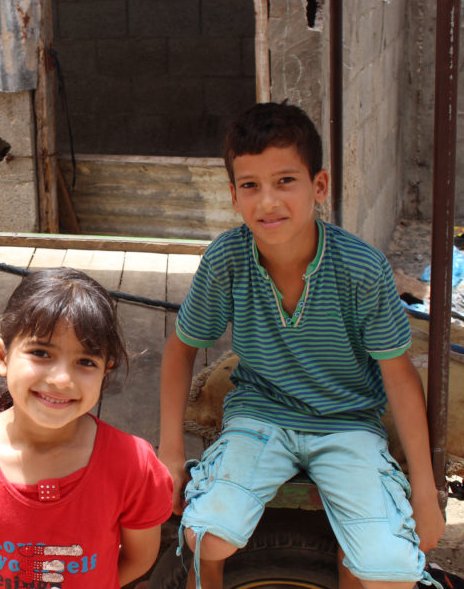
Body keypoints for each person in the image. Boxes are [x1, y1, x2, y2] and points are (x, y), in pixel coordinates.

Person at [157, 101, 446, 589]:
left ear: (319, 186)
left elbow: (398, 375)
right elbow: (180, 349)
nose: (268, 201)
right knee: (206, 534)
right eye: (251, 185)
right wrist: (168, 453)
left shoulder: (361, 268)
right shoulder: (227, 259)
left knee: (386, 568)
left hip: (348, 423)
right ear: (234, 195)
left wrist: (423, 488)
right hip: (259, 414)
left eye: (285, 181)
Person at [0, 267, 174, 588]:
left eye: (86, 362)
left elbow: (139, 558)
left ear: (106, 371)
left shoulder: (135, 466)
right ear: (2, 355)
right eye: (40, 353)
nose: (61, 379)